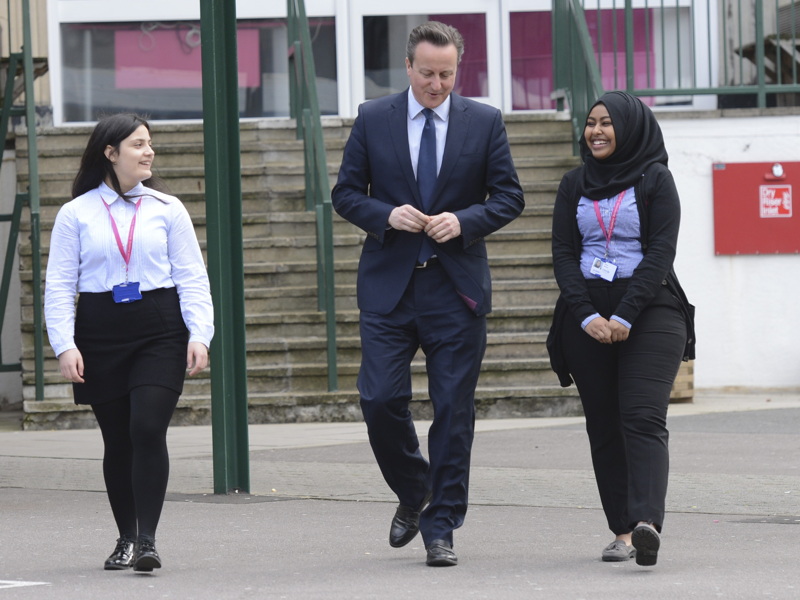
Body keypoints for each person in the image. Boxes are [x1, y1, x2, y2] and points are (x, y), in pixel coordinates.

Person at [331, 21, 524, 567]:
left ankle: (442, 526)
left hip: (454, 290)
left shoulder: (483, 121)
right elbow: (344, 193)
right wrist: (385, 215)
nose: (437, 84)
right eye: (427, 74)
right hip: (389, 288)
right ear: (408, 68)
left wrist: (463, 221)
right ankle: (416, 490)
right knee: (379, 400)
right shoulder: (374, 118)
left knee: (453, 412)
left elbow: (509, 197)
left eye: (447, 74)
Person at [44, 113, 214, 572]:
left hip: (159, 326)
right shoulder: (75, 213)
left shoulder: (167, 208)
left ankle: (147, 540)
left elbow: (193, 278)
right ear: (110, 152)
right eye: (138, 144)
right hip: (99, 330)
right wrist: (64, 344)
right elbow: (59, 285)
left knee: (146, 428)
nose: (148, 151)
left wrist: (200, 333)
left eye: (150, 143)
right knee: (118, 440)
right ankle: (124, 535)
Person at [547, 91, 695, 567]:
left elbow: (660, 254)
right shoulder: (573, 184)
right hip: (585, 315)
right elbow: (564, 255)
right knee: (604, 424)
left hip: (650, 312)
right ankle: (623, 533)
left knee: (642, 416)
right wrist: (587, 314)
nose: (596, 131)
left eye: (607, 123)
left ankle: (648, 522)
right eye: (590, 123)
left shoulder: (656, 180)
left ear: (630, 127)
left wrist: (625, 314)